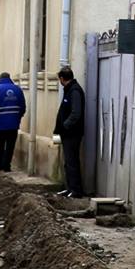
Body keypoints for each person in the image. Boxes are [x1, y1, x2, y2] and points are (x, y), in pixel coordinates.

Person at [54, 65, 88, 198]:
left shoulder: (74, 91)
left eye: (60, 79)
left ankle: (75, 190)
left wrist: (65, 126)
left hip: (72, 134)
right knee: (68, 162)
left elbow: (76, 113)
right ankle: (69, 188)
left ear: (62, 78)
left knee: (72, 161)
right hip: (67, 133)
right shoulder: (69, 90)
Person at [0, 72, 26, 173]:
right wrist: (18, 117)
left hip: (0, 124)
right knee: (10, 145)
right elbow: (23, 107)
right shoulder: (18, 90)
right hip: (14, 124)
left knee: (0, 144)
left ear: (0, 79)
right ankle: (7, 166)